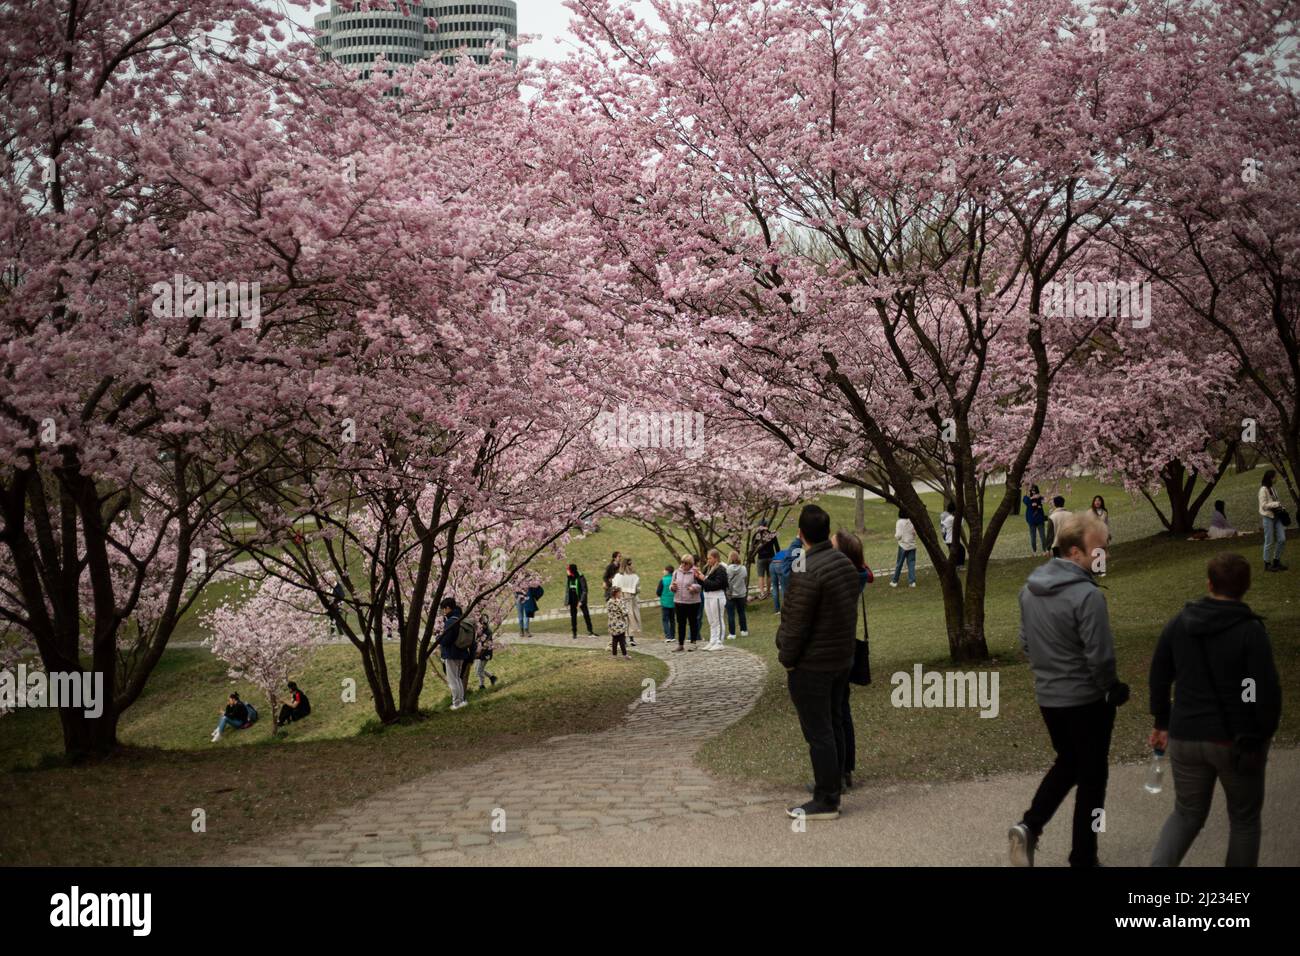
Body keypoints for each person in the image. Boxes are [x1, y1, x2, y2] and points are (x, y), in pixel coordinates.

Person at [1009, 513, 1130, 867]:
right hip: (1087, 700)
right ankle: (1084, 856)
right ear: (1075, 552)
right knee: (1093, 779)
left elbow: (1026, 643)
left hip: (1050, 698)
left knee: (1070, 763)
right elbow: (1100, 656)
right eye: (1099, 549)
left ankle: (1030, 825)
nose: (1103, 554)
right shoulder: (1087, 596)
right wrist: (1112, 688)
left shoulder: (1029, 590)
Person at [1148, 553, 1282, 867]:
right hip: (1235, 740)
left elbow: (1159, 674)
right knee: (1244, 819)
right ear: (1246, 586)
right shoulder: (1251, 632)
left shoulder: (1180, 624)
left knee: (1186, 813)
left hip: (1186, 735)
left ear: (1208, 583)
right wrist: (1260, 735)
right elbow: (1264, 691)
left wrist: (1162, 721)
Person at [776, 504, 861, 821]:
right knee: (834, 722)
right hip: (841, 658)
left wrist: (787, 658)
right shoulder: (843, 562)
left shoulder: (806, 570)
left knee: (819, 731)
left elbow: (795, 624)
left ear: (800, 534)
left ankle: (827, 799)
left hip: (814, 665)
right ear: (826, 531)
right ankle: (834, 782)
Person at [830, 530, 871, 791]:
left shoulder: (842, 580)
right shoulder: (856, 576)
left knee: (834, 714)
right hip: (845, 651)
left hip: (834, 653)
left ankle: (837, 772)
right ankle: (845, 770)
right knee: (842, 711)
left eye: (832, 545)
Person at [436, 598, 471, 710]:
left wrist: (438, 638)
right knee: (458, 678)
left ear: (448, 608)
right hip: (461, 653)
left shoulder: (451, 621)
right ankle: (461, 700)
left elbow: (447, 640)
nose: (443, 612)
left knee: (452, 679)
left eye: (443, 609)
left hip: (451, 654)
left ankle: (456, 703)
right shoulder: (460, 618)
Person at [696, 548, 730, 651]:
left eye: (710, 558)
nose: (708, 560)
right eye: (707, 558)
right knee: (711, 620)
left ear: (716, 558)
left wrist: (704, 579)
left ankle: (719, 642)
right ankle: (713, 640)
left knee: (718, 619)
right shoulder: (707, 568)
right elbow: (704, 584)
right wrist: (698, 577)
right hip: (707, 595)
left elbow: (717, 584)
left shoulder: (721, 569)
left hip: (717, 595)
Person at [669, 554, 702, 651]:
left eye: (686, 563)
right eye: (682, 562)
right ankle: (680, 644)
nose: (683, 565)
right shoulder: (676, 572)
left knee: (693, 622)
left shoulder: (695, 572)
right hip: (679, 601)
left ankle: (693, 643)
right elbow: (671, 585)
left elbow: (701, 585)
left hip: (693, 602)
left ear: (691, 564)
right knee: (680, 623)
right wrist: (672, 587)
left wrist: (694, 588)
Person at [1259, 469, 1288, 572]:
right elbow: (1263, 506)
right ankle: (1267, 564)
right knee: (1269, 540)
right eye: (1275, 477)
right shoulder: (1263, 490)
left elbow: (1276, 502)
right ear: (1271, 478)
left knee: (1282, 539)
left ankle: (1276, 561)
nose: (1276, 478)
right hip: (1268, 518)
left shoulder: (1273, 489)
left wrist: (1281, 507)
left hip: (1277, 516)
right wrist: (1276, 504)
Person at [612, 556, 641, 646]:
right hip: (630, 600)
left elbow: (614, 588)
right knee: (630, 618)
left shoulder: (617, 576)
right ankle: (631, 639)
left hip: (621, 599)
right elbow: (637, 589)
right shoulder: (634, 577)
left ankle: (623, 639)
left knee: (623, 619)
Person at [565, 564, 596, 638]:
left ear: (571, 570)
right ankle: (574, 632)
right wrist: (566, 601)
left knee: (586, 615)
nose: (567, 571)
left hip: (580, 598)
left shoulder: (581, 577)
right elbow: (567, 590)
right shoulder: (569, 578)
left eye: (568, 570)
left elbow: (585, 590)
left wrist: (581, 601)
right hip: (572, 599)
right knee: (573, 616)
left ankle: (590, 631)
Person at [724, 550, 749, 639]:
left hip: (730, 594)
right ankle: (744, 630)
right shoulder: (743, 568)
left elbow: (726, 581)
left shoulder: (727, 569)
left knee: (731, 614)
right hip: (741, 593)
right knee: (741, 612)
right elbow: (744, 579)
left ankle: (732, 633)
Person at [890, 509, 917, 587]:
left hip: (903, 546)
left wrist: (896, 537)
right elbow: (914, 533)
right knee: (911, 564)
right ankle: (912, 582)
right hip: (912, 545)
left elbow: (898, 535)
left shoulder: (899, 522)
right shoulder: (911, 521)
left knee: (899, 564)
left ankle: (894, 581)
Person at [473, 614, 498, 690]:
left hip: (485, 653)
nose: (481, 626)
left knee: (478, 671)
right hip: (478, 652)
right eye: (480, 624)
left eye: (482, 624)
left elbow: (487, 644)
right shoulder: (478, 631)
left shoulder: (488, 632)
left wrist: (481, 650)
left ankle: (482, 685)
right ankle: (492, 677)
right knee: (478, 669)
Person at [755, 523, 779, 599]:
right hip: (771, 556)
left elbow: (754, 546)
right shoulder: (772, 534)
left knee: (760, 576)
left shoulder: (757, 535)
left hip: (761, 557)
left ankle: (762, 593)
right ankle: (768, 592)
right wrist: (778, 557)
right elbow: (777, 547)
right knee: (769, 575)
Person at [606, 585, 631, 659]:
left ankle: (614, 655)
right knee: (622, 640)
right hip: (619, 624)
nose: (621, 594)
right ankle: (625, 655)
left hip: (612, 624)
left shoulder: (609, 602)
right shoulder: (619, 602)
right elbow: (624, 612)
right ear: (616, 593)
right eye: (620, 593)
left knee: (614, 639)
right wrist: (627, 611)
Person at [941, 501, 965, 571]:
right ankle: (959, 566)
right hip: (950, 539)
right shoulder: (952, 519)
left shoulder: (943, 515)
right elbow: (960, 523)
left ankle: (954, 566)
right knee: (961, 550)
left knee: (954, 553)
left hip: (946, 538)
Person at [1024, 484, 1048, 553]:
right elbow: (1045, 500)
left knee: (1036, 536)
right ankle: (1042, 550)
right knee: (1039, 536)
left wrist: (1039, 496)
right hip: (1037, 519)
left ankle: (1038, 551)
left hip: (1035, 519)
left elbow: (1025, 499)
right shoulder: (1035, 498)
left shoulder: (1031, 499)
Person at [656, 564, 675, 643]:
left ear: (667, 571)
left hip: (665, 602)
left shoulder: (663, 580)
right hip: (673, 602)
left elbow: (658, 592)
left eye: (664, 570)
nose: (663, 571)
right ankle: (673, 636)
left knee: (665, 620)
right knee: (672, 619)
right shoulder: (674, 579)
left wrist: (662, 595)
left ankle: (668, 636)